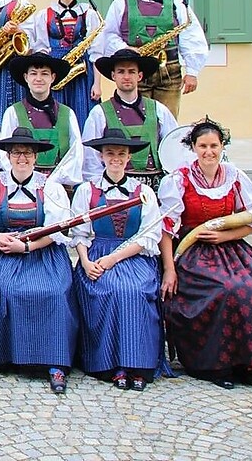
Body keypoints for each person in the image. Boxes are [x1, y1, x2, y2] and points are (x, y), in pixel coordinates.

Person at [158, 117, 252, 389]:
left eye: (214, 146)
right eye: (203, 146)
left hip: (231, 249)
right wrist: (169, 269)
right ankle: (214, 365)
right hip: (193, 252)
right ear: (193, 148)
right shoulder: (180, 179)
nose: (208, 152)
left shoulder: (234, 176)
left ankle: (249, 363)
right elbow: (166, 229)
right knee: (223, 290)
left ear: (222, 147)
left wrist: (224, 236)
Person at [0, 128, 79, 394]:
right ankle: (7, 356)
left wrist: (27, 245)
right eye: (17, 153)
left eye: (28, 153)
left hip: (43, 254)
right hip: (4, 253)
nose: (22, 158)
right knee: (1, 290)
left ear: (35, 157)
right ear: (8, 156)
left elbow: (57, 231)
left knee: (54, 292)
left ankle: (55, 363)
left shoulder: (50, 188)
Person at [70, 129, 164, 391]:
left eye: (121, 154)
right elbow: (79, 233)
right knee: (107, 289)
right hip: (96, 254)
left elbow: (149, 235)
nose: (115, 158)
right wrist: (85, 262)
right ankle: (109, 364)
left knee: (134, 290)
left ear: (128, 157)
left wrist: (114, 258)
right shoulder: (87, 191)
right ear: (101, 156)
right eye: (110, 153)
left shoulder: (143, 191)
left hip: (132, 255)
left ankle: (138, 365)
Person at [99, 0, 209, 117]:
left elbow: (191, 35)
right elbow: (109, 35)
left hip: (170, 71)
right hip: (135, 70)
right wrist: (125, 49)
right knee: (137, 120)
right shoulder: (120, 2)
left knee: (168, 121)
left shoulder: (177, 2)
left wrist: (192, 72)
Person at [81, 48, 178, 185]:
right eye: (121, 72)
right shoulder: (99, 113)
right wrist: (100, 187)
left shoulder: (159, 110)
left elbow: (173, 147)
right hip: (114, 186)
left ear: (139, 76)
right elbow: (90, 159)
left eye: (131, 71)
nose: (126, 77)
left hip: (155, 185)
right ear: (113, 76)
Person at [25, 0, 104, 127]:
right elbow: (41, 48)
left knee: (84, 114)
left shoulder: (88, 13)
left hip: (83, 72)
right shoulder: (44, 15)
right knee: (56, 114)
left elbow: (96, 53)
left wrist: (97, 84)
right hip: (56, 69)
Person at [1, 52, 84, 185]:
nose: (38, 78)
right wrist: (28, 180)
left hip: (59, 187)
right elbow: (4, 154)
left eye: (44, 74)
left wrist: (52, 182)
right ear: (26, 77)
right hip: (22, 185)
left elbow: (76, 153)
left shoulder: (68, 113)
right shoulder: (13, 113)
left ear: (53, 77)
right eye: (33, 73)